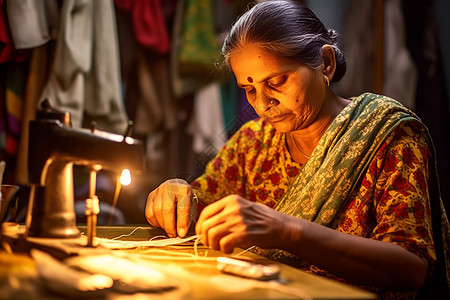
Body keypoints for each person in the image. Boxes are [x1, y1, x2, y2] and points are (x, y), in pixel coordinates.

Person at [145, 1, 449, 298]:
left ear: (326, 63)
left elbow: (412, 268)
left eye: (277, 82)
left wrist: (286, 230)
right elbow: (198, 208)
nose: (263, 104)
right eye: (249, 90)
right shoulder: (252, 145)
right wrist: (177, 193)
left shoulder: (388, 135)